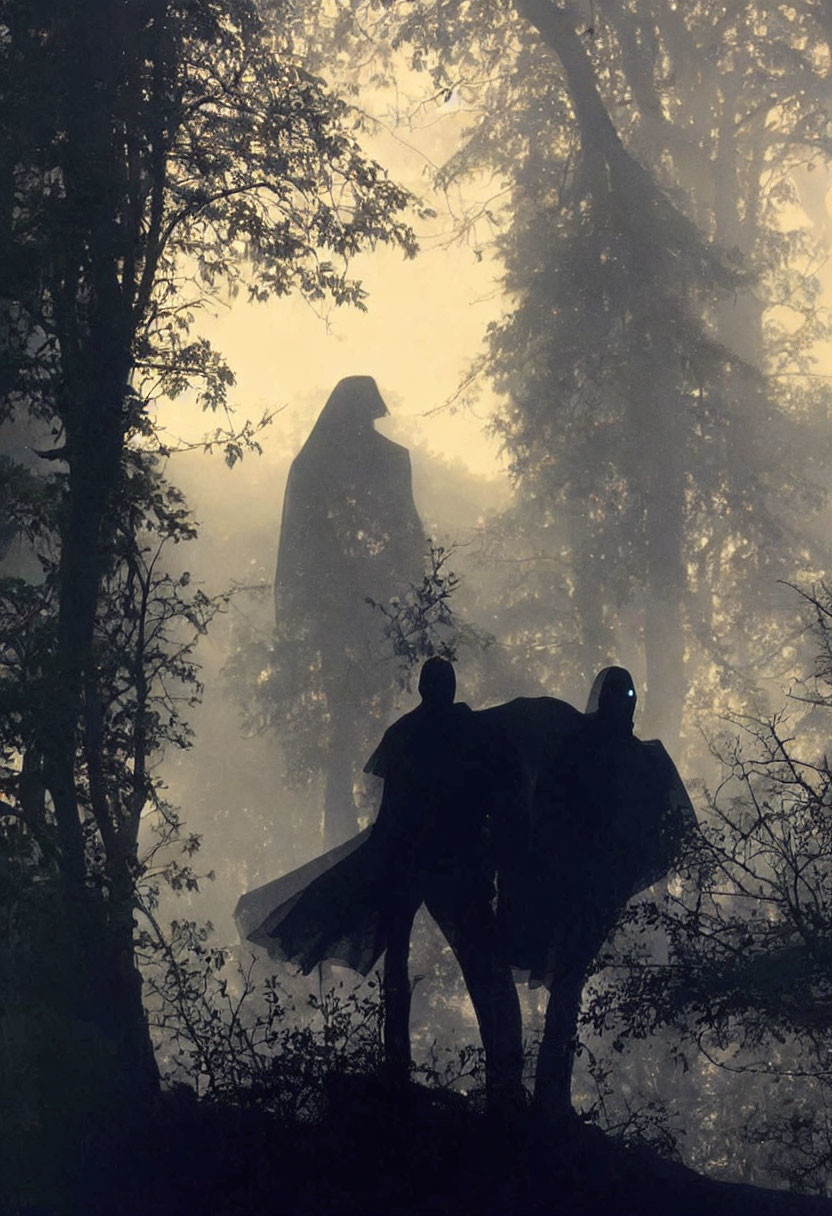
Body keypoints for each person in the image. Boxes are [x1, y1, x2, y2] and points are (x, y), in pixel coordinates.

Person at [235, 658, 525, 1108]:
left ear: (423, 690)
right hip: (450, 866)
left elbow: (394, 810)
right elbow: (493, 796)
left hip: (416, 863)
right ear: (443, 688)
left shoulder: (408, 733)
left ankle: (403, 1068)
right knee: (478, 968)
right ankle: (496, 1084)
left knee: (409, 966)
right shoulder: (470, 732)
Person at [480, 667, 696, 1119]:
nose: (626, 702)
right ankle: (542, 1097)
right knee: (568, 983)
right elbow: (551, 809)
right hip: (575, 884)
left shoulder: (630, 758)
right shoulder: (591, 750)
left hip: (587, 886)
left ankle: (544, 1096)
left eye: (629, 694)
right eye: (623, 694)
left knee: (568, 983)